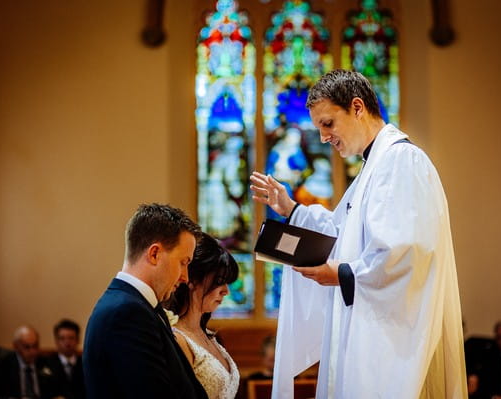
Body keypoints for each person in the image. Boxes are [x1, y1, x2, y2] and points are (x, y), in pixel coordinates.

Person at [250, 69, 467, 398]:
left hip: (393, 349)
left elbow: (407, 254)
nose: (324, 137)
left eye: (328, 124)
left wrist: (343, 273)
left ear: (357, 107)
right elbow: (342, 234)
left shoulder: (401, 162)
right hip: (365, 334)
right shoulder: (374, 168)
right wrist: (291, 210)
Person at [82, 203, 208, 398]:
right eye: (183, 263)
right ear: (154, 254)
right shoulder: (126, 313)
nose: (186, 277)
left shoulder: (136, 306)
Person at [164, 233, 240, 399]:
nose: (226, 291)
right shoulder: (178, 339)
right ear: (192, 279)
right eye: (219, 280)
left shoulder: (210, 335)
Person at [0, 325, 62, 399]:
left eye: (35, 346)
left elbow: (61, 390)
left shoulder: (48, 364)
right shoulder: (1, 365)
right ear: (16, 346)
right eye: (27, 347)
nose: (32, 351)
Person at [42, 319, 85, 399]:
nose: (67, 342)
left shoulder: (85, 364)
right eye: (62, 338)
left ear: (78, 340)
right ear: (56, 341)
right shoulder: (46, 364)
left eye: (71, 338)